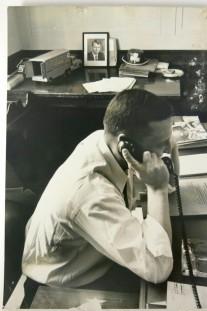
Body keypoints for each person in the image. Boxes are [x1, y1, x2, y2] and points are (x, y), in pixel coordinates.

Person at [21, 89, 179, 299]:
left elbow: (169, 184)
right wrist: (157, 189)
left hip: (90, 257)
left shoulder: (104, 140)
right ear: (126, 145)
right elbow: (158, 269)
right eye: (161, 144)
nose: (167, 149)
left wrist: (167, 142)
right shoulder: (90, 192)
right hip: (63, 286)